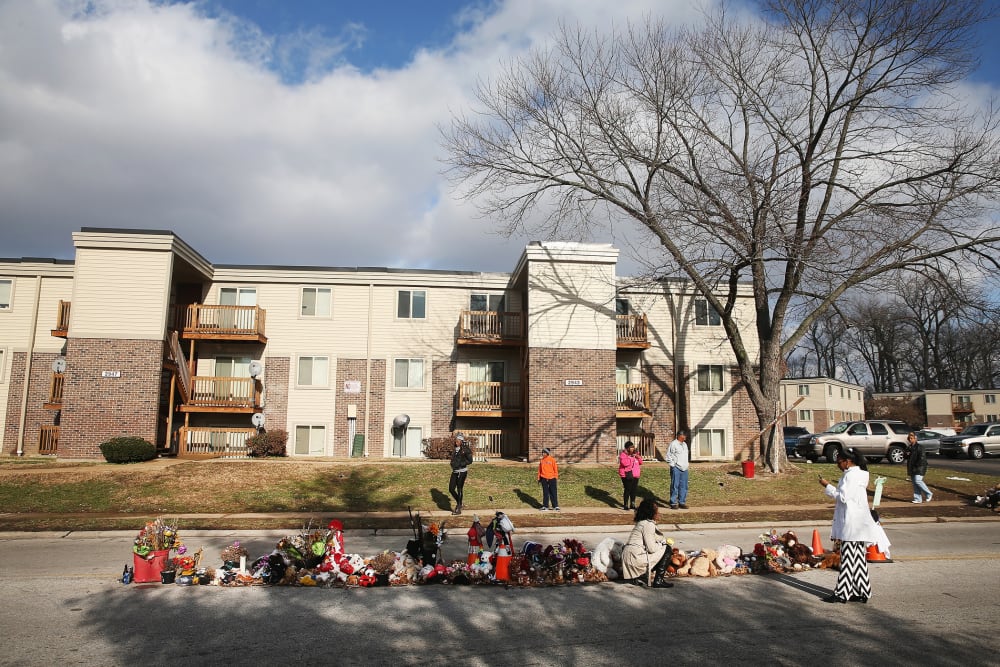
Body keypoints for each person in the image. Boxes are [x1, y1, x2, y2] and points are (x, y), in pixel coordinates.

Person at [818, 448, 890, 604]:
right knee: (858, 560)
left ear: (848, 461)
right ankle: (863, 591)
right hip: (858, 524)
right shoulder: (858, 474)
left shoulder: (851, 476)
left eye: (839, 462)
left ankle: (842, 594)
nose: (838, 464)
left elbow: (843, 497)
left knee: (848, 561)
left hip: (852, 525)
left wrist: (827, 486)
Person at [621, 498, 673, 588]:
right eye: (656, 511)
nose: (658, 513)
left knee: (661, 549)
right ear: (651, 512)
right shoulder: (648, 525)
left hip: (628, 557)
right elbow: (651, 548)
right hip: (635, 558)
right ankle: (658, 580)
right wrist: (662, 544)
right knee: (667, 549)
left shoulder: (641, 523)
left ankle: (636, 576)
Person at [449, 433, 474, 515]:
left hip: (462, 472)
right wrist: (452, 464)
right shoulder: (455, 448)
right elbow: (453, 459)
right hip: (455, 471)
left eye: (459, 440)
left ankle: (458, 507)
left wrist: (460, 464)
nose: (457, 441)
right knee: (451, 489)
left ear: (462, 441)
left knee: (459, 488)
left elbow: (470, 461)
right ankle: (460, 502)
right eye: (456, 440)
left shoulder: (466, 449)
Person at [905, 432, 933, 504]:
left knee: (918, 481)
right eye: (909, 438)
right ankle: (918, 499)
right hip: (912, 467)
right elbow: (905, 457)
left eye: (912, 438)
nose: (910, 440)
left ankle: (928, 493)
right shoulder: (909, 447)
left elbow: (922, 458)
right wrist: (906, 454)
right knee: (915, 483)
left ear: (915, 439)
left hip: (920, 467)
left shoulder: (920, 447)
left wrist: (917, 465)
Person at [666, 431, 689, 509]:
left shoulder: (685, 444)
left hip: (685, 468)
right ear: (679, 436)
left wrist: (686, 464)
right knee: (675, 485)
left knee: (684, 486)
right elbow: (668, 456)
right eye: (684, 435)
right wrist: (673, 465)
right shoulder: (673, 444)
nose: (685, 437)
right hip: (676, 468)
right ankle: (673, 502)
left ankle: (682, 502)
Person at [618, 441, 642, 511]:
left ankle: (632, 504)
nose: (632, 448)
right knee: (628, 489)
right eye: (631, 447)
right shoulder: (623, 455)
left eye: (633, 447)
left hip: (635, 474)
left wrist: (638, 456)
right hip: (626, 475)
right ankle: (625, 505)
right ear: (627, 448)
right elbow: (625, 463)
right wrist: (631, 457)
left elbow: (640, 462)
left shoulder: (635, 454)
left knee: (633, 490)